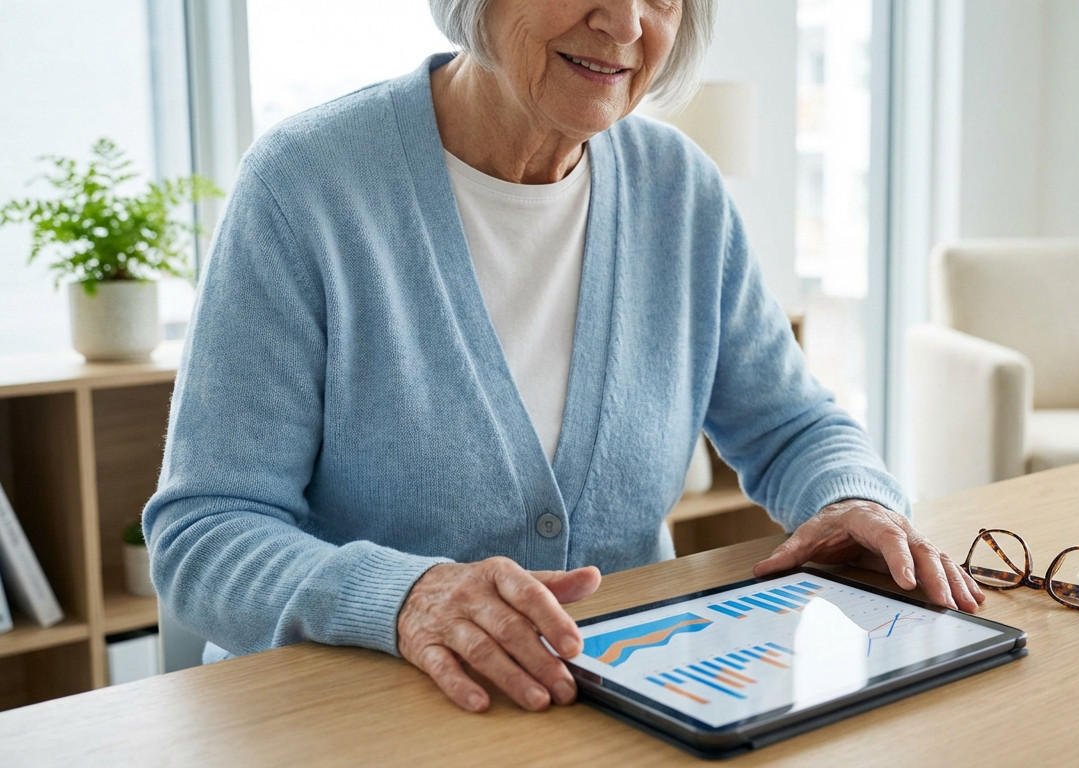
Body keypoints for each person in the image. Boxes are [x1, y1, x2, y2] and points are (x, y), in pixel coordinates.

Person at [144, 0, 983, 715]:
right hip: (362, 715)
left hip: (633, 704)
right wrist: (403, 599)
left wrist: (850, 498)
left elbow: (792, 423)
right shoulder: (305, 187)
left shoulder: (679, 190)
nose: (624, 22)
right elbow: (205, 531)